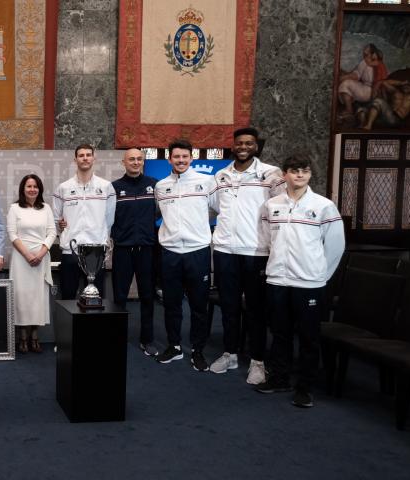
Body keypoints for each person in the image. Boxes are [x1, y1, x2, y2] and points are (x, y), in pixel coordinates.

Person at [255, 154, 345, 408]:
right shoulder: (271, 205)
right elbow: (265, 239)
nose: (300, 175)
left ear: (310, 174)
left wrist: (320, 275)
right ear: (284, 174)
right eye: (294, 171)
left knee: (308, 337)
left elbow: (336, 246)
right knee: (280, 333)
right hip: (277, 281)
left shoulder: (323, 205)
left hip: (309, 284)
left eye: (305, 171)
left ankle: (305, 387)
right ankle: (280, 378)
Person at [207, 127, 284, 384]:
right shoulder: (220, 175)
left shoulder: (271, 174)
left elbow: (281, 210)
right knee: (229, 307)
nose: (243, 147)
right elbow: (216, 208)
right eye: (239, 143)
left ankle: (257, 361)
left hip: (256, 251)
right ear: (233, 146)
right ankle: (229, 353)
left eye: (249, 143)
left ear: (256, 146)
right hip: (226, 250)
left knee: (256, 310)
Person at [154, 139, 215, 371]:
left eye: (185, 157)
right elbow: (159, 213)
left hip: (197, 251)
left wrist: (196, 227)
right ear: (169, 159)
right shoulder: (161, 186)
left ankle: (197, 350)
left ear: (192, 158)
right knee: (171, 303)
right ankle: (174, 346)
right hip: (170, 252)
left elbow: (214, 209)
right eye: (176, 157)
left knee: (199, 305)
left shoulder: (206, 182)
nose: (180, 160)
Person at [52, 144, 116, 301]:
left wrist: (100, 239)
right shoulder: (63, 188)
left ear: (94, 158)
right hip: (70, 251)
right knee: (68, 297)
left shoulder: (106, 186)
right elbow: (56, 218)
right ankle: (68, 327)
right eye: (81, 155)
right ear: (75, 160)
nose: (85, 158)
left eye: (88, 154)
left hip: (96, 251)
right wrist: (63, 231)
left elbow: (109, 220)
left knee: (95, 298)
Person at [111, 148, 159, 356]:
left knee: (147, 296)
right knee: (119, 297)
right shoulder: (113, 188)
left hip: (147, 249)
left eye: (139, 159)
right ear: (124, 162)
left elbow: (160, 211)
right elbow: (106, 217)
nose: (136, 162)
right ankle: (116, 338)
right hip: (122, 249)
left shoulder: (154, 185)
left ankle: (147, 340)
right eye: (131, 159)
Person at [6, 174, 56, 353]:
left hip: (41, 257)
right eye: (29, 186)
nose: (32, 189)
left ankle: (35, 336)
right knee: (21, 298)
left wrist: (41, 253)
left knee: (37, 299)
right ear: (23, 189)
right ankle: (22, 338)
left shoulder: (46, 209)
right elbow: (12, 234)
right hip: (21, 259)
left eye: (35, 186)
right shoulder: (14, 208)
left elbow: (52, 233)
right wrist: (27, 255)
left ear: (40, 189)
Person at [337, 44, 376, 121]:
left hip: (367, 91)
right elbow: (357, 74)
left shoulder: (365, 62)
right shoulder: (375, 62)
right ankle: (350, 110)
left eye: (366, 51)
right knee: (348, 82)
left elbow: (356, 75)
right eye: (364, 50)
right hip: (369, 90)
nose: (364, 52)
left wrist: (344, 77)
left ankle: (349, 110)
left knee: (345, 83)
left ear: (371, 53)